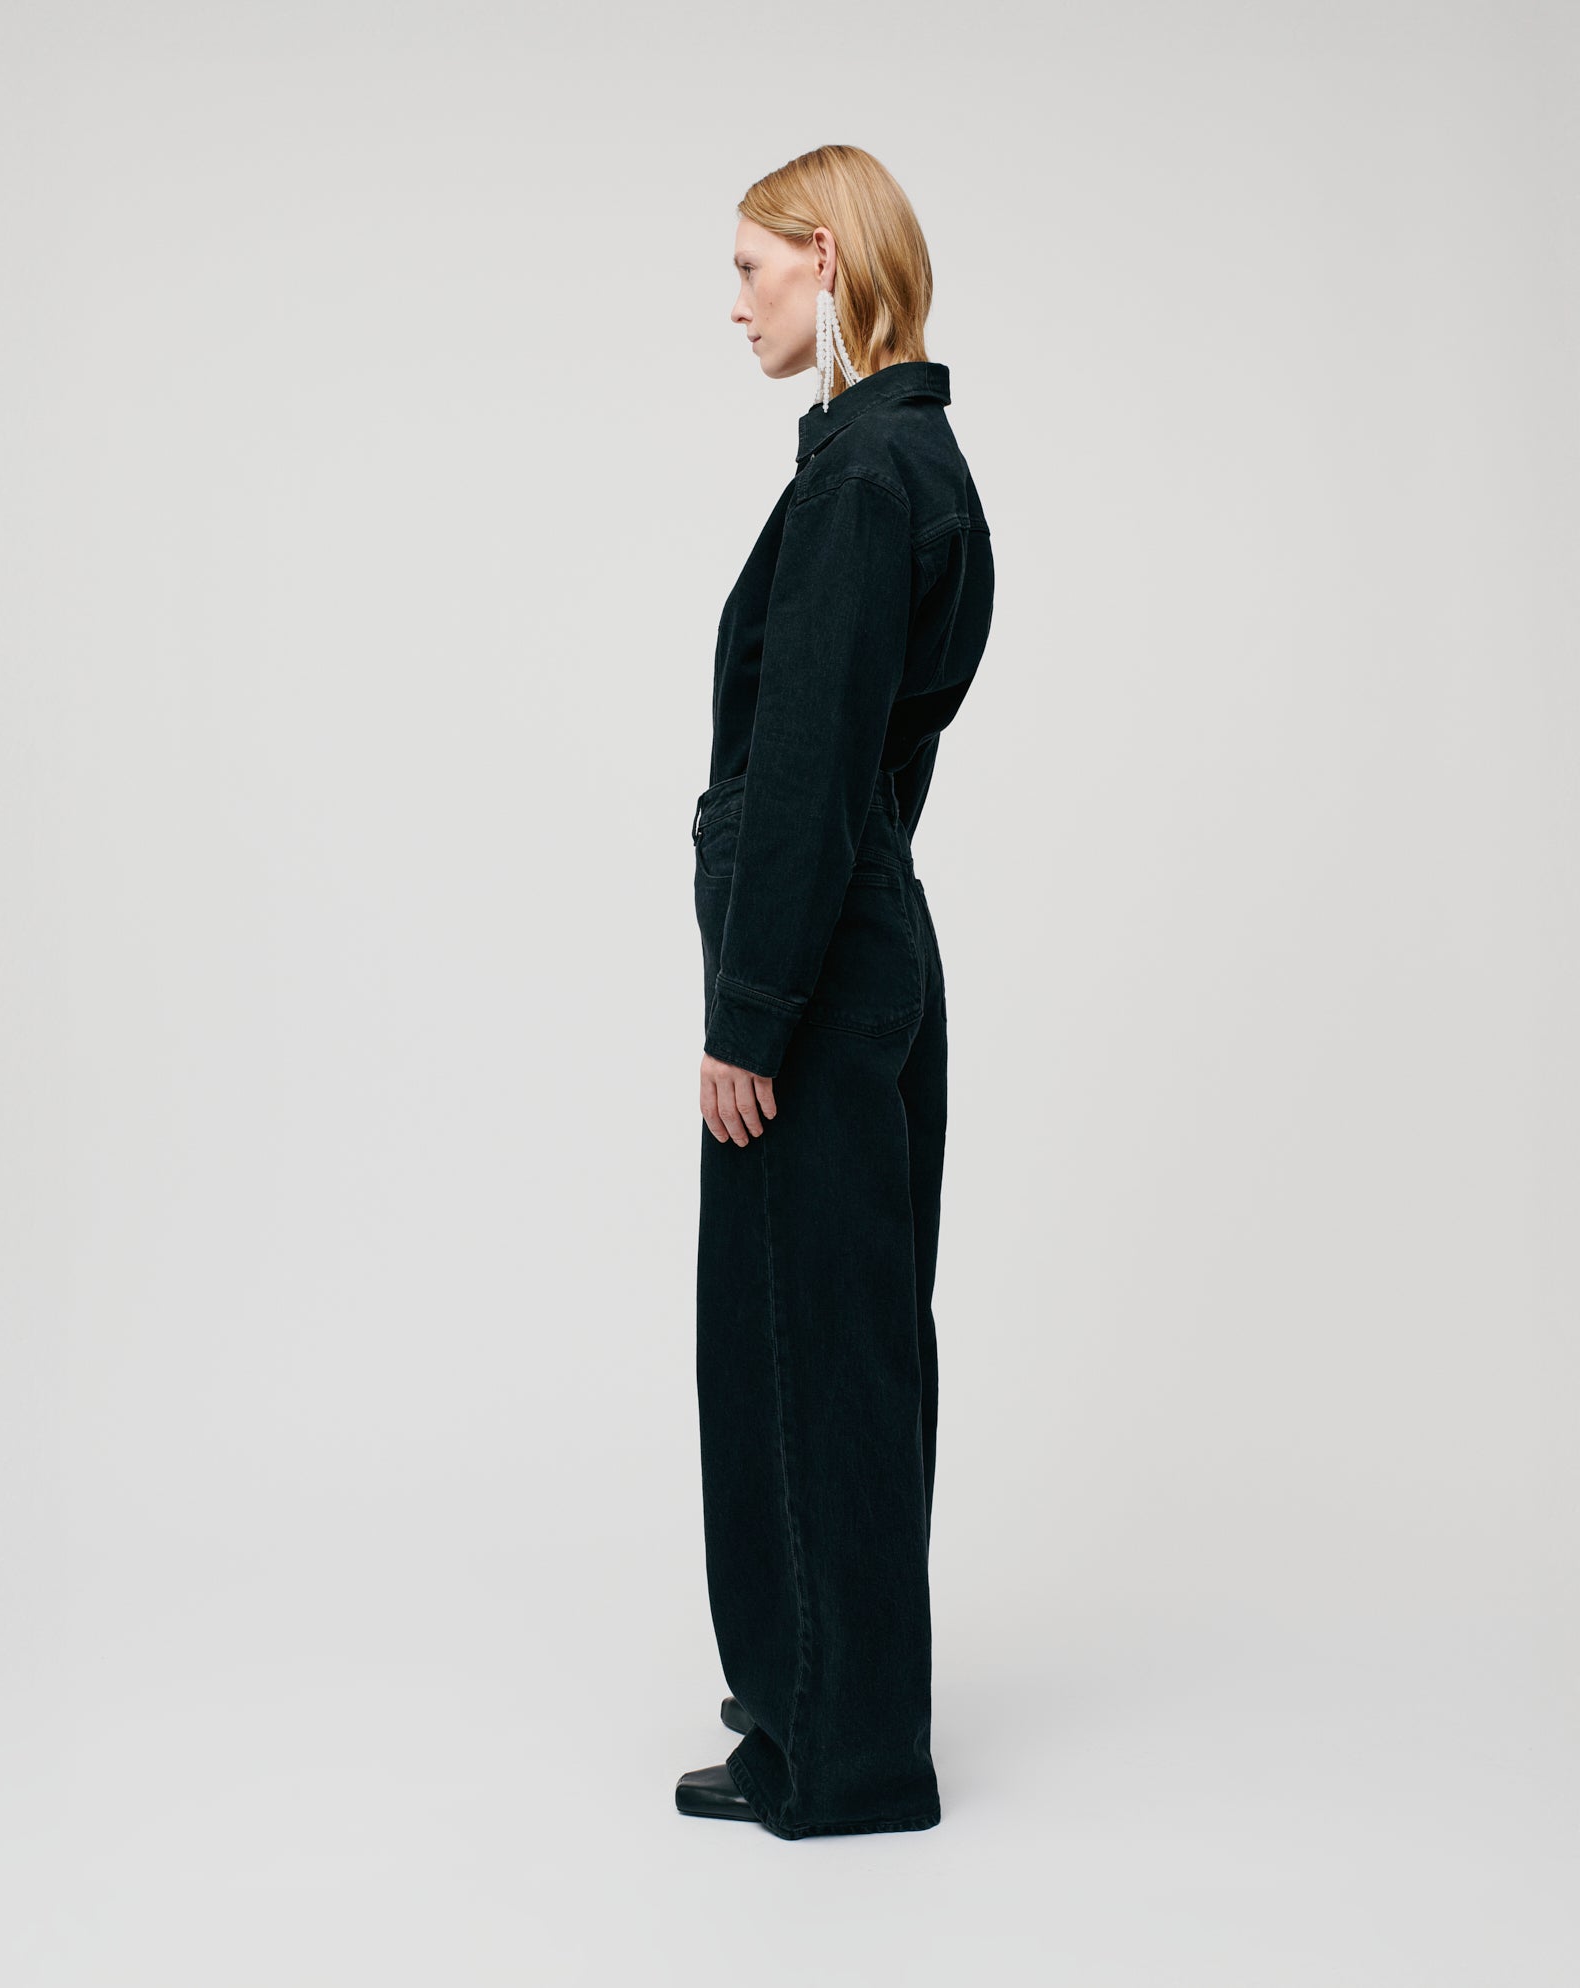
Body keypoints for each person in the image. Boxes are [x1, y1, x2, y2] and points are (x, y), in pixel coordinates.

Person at [676, 144, 995, 1840]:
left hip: (816, 970)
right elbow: (874, 761)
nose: (736, 306)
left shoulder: (866, 479)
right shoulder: (912, 465)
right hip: (865, 948)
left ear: (825, 255)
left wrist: (751, 1011)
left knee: (803, 1354)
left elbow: (807, 764)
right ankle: (837, 1722)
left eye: (752, 270)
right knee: (849, 1347)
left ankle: (833, 1751)